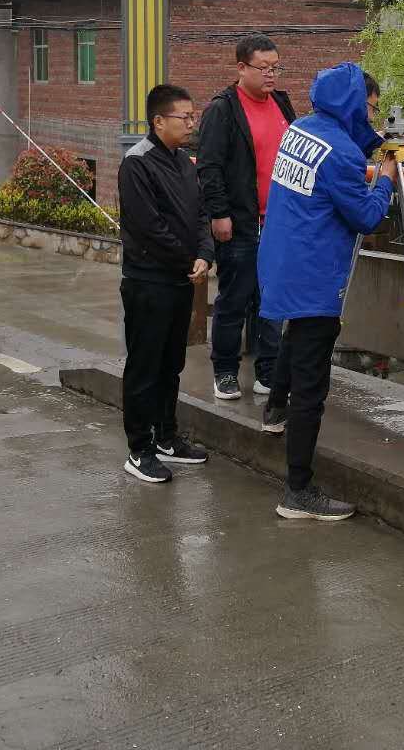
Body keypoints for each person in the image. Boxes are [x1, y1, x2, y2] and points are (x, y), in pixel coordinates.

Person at [257, 63, 397, 521]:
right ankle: (298, 491)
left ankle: (274, 410)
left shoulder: (300, 129)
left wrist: (374, 144)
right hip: (315, 275)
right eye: (370, 108)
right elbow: (366, 217)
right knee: (312, 385)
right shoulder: (342, 155)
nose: (371, 116)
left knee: (294, 337)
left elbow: (336, 153)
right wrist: (387, 178)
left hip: (283, 260)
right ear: (353, 104)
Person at [117, 83, 215, 484]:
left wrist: (204, 254)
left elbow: (201, 215)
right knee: (145, 366)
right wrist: (186, 259)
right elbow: (149, 227)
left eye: (193, 116)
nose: (191, 123)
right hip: (148, 281)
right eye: (184, 117)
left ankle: (167, 438)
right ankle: (139, 449)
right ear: (158, 121)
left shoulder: (184, 163)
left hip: (180, 280)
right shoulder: (137, 163)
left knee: (171, 364)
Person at [196, 33, 296, 401]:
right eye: (263, 67)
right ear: (241, 67)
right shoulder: (223, 110)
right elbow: (209, 167)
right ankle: (224, 371)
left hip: (278, 222)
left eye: (275, 68)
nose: (271, 74)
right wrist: (219, 214)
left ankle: (268, 371)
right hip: (240, 223)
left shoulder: (282, 104)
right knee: (234, 300)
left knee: (273, 301)